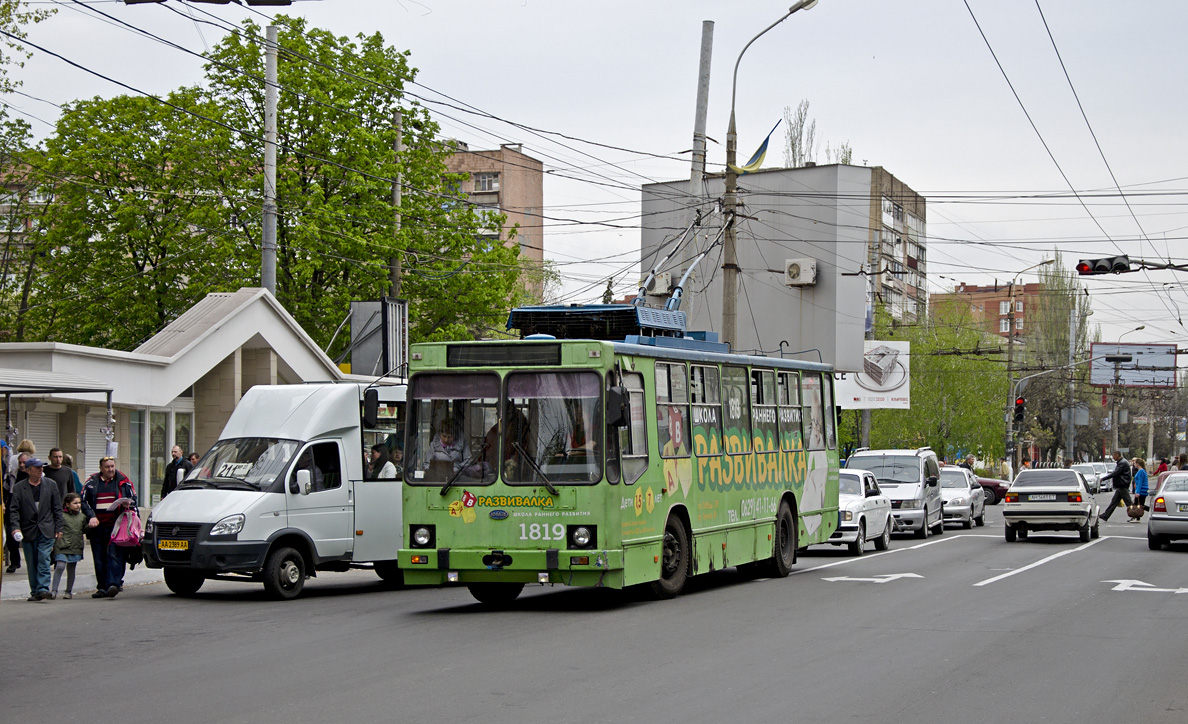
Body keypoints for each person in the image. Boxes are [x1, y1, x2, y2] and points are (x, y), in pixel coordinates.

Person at [6, 457, 63, 601]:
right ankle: (36, 592)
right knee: (32, 562)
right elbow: (13, 510)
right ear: (28, 470)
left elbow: (57, 508)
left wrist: (59, 527)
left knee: (43, 558)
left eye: (41, 467)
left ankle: (43, 588)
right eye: (37, 468)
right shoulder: (19, 487)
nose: (40, 470)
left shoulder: (50, 485)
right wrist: (15, 528)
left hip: (47, 528)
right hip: (28, 530)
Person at [81, 456, 136, 599]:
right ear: (101, 468)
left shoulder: (123, 481)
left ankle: (113, 585)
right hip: (97, 526)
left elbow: (133, 499)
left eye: (112, 466)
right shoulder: (92, 482)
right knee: (99, 558)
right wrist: (91, 516)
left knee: (114, 555)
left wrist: (127, 505)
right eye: (107, 467)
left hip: (116, 526)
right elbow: (83, 501)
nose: (111, 469)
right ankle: (102, 587)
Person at [52, 492, 88, 599]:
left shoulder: (82, 517)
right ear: (67, 504)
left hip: (75, 546)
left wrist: (90, 526)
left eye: (79, 503)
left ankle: (68, 591)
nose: (78, 505)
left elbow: (84, 530)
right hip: (62, 545)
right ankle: (54, 590)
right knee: (60, 566)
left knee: (71, 568)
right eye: (75, 503)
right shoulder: (61, 516)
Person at [4, 451, 28, 574]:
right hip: (13, 507)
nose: (22, 465)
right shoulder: (13, 475)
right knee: (11, 536)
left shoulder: (35, 475)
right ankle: (14, 562)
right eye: (20, 462)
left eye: (25, 462)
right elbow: (6, 490)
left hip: (27, 509)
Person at [1099, 450, 1134, 522]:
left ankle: (1135, 515)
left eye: (1114, 455)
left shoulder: (1122, 463)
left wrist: (1104, 478)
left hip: (1122, 485)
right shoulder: (1122, 462)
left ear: (1118, 455)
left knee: (1128, 502)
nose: (1113, 457)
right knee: (1114, 502)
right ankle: (1105, 515)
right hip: (1121, 485)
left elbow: (1115, 473)